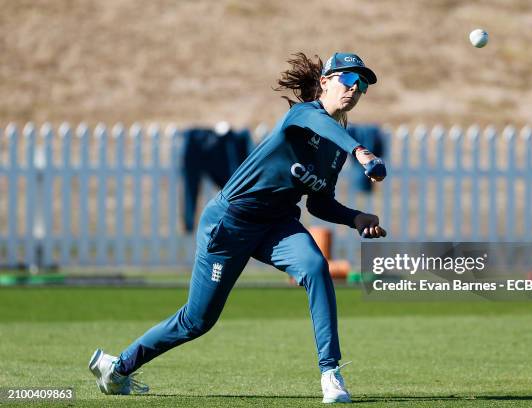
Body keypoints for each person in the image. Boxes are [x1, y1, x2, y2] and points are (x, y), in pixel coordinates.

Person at [88, 52, 387, 404]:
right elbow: (323, 128)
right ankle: (118, 367)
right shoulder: (306, 114)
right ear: (324, 82)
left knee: (315, 266)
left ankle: (330, 373)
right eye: (348, 80)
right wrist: (362, 153)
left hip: (277, 224)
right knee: (197, 321)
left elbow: (318, 202)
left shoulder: (336, 149)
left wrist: (355, 218)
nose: (355, 88)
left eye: (362, 84)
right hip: (230, 223)